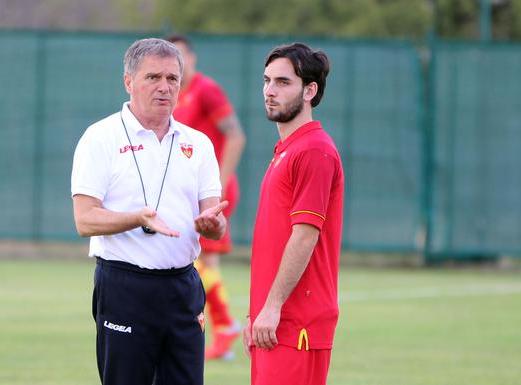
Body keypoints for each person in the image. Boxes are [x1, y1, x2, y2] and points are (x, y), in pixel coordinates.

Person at [71, 37, 228, 385]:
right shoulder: (100, 138)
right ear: (128, 82)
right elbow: (84, 219)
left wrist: (213, 224)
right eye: (152, 77)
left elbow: (215, 224)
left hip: (183, 286)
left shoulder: (198, 143)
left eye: (172, 79)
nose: (164, 87)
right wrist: (137, 218)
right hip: (125, 286)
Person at [243, 42, 343, 385]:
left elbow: (305, 235)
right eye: (267, 80)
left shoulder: (314, 150)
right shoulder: (287, 149)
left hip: (296, 323)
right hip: (273, 323)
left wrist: (271, 308)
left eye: (283, 82)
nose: (270, 91)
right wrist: (254, 312)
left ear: (309, 91)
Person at [165, 34, 247, 361]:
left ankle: (225, 326)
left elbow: (236, 135)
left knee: (204, 261)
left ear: (193, 59)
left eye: (182, 58)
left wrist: (221, 185)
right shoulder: (171, 95)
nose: (178, 66)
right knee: (200, 262)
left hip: (212, 193)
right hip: (188, 193)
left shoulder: (205, 89)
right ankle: (223, 326)